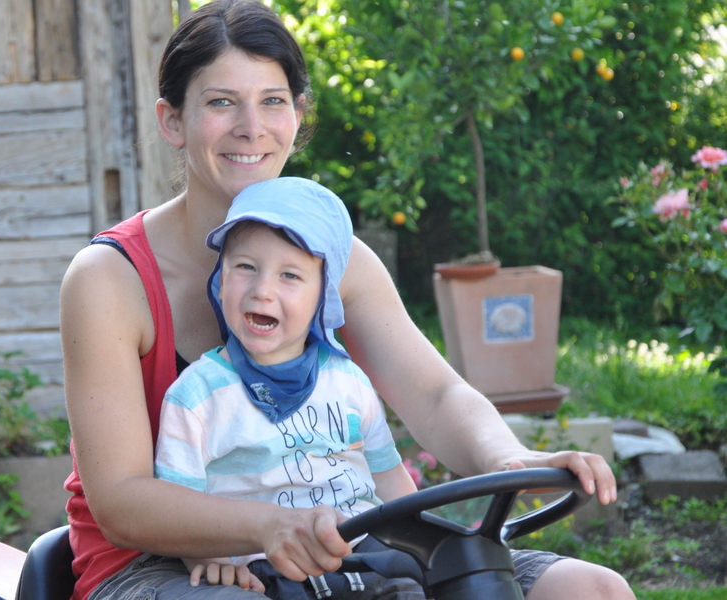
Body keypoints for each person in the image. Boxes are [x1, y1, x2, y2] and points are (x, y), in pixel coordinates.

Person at [58, 1, 635, 600]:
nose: (251, 127)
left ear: (297, 114)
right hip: (161, 565)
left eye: (272, 100)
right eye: (222, 102)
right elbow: (121, 501)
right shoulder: (111, 280)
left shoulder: (338, 257)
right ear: (173, 121)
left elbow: (434, 394)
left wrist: (506, 457)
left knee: (590, 589)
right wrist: (269, 526)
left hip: (344, 543)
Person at [154, 177, 420, 596]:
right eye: (245, 267)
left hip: (364, 556)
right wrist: (208, 560)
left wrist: (423, 541)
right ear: (220, 281)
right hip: (267, 569)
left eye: (290, 275)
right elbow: (178, 508)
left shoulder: (348, 381)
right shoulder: (196, 397)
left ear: (323, 298)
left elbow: (390, 481)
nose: (262, 290)